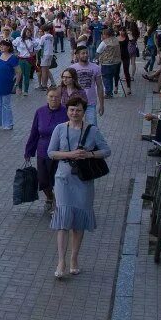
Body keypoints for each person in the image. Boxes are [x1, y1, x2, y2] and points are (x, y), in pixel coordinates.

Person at [48, 96, 111, 279]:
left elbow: (106, 150)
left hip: (83, 180)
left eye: (78, 110)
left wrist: (89, 154)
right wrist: (69, 154)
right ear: (67, 111)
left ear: (84, 112)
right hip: (63, 179)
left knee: (79, 221)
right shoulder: (60, 128)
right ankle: (61, 261)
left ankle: (74, 258)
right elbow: (51, 152)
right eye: (71, 110)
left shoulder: (92, 130)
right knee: (63, 219)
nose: (75, 113)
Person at [24, 88, 68, 214]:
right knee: (42, 179)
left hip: (60, 152)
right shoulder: (40, 112)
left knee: (57, 179)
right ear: (46, 97)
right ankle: (49, 197)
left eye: (57, 97)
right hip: (43, 150)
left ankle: (59, 204)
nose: (54, 99)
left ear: (61, 98)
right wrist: (28, 151)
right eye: (51, 96)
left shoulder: (66, 112)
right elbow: (34, 132)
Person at [0, 40, 20, 131]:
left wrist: (16, 84)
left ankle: (8, 123)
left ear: (9, 47)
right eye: (1, 45)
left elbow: (18, 72)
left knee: (6, 104)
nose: (2, 47)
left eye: (4, 45)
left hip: (6, 84)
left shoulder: (13, 58)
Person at [68, 45, 105, 124]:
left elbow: (100, 86)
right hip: (75, 104)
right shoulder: (72, 68)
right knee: (75, 127)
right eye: (83, 53)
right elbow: (67, 86)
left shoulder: (96, 68)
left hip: (90, 103)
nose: (86, 55)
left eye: (87, 53)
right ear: (77, 55)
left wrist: (101, 104)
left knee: (92, 127)